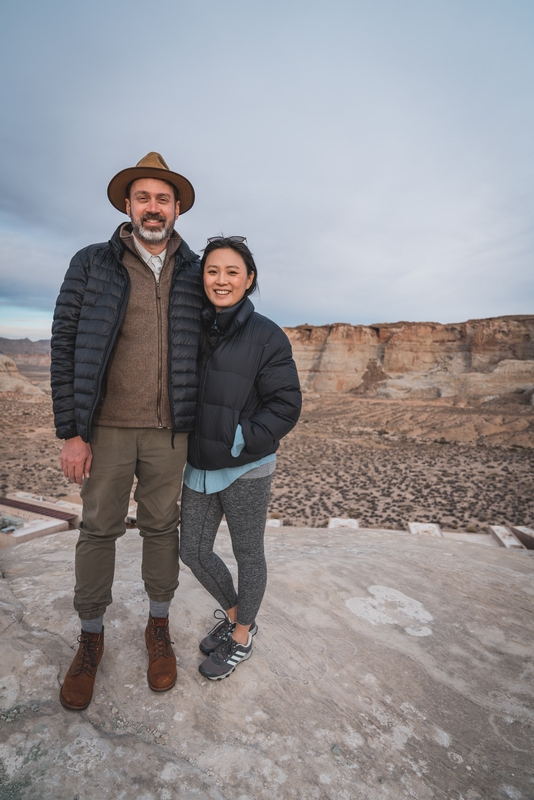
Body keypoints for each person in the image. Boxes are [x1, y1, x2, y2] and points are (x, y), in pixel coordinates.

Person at [51, 152, 204, 710]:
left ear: (178, 207)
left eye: (163, 198)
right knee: (99, 530)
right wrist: (71, 430)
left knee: (164, 529)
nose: (153, 207)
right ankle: (90, 637)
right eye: (143, 197)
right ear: (126, 205)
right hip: (107, 428)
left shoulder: (197, 268)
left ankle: (157, 627)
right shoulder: (92, 262)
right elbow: (66, 342)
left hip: (171, 431)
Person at [179, 236, 302, 680]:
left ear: (249, 279)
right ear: (202, 278)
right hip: (198, 463)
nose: (221, 279)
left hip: (245, 465)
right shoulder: (191, 326)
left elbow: (286, 404)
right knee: (192, 549)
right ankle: (235, 615)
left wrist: (238, 438)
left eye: (232, 271)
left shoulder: (266, 334)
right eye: (213, 271)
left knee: (248, 554)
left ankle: (243, 635)